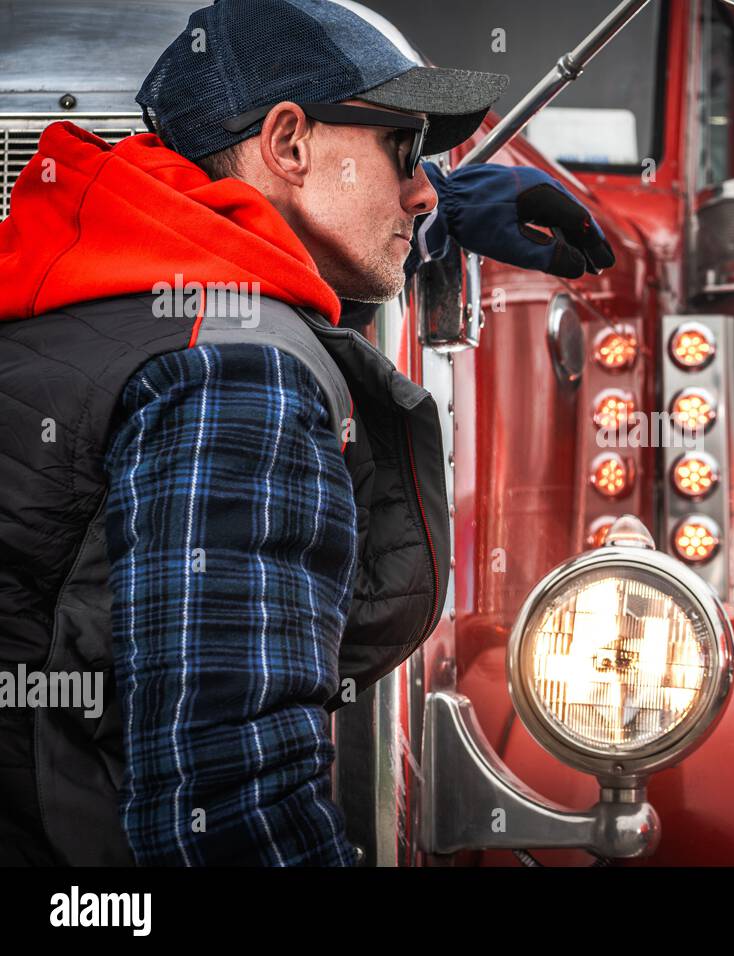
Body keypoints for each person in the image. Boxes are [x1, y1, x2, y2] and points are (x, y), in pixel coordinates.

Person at [0, 0, 613, 866]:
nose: (426, 185)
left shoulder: (94, 291)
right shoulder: (236, 376)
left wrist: (417, 214)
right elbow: (229, 811)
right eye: (405, 150)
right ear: (288, 144)